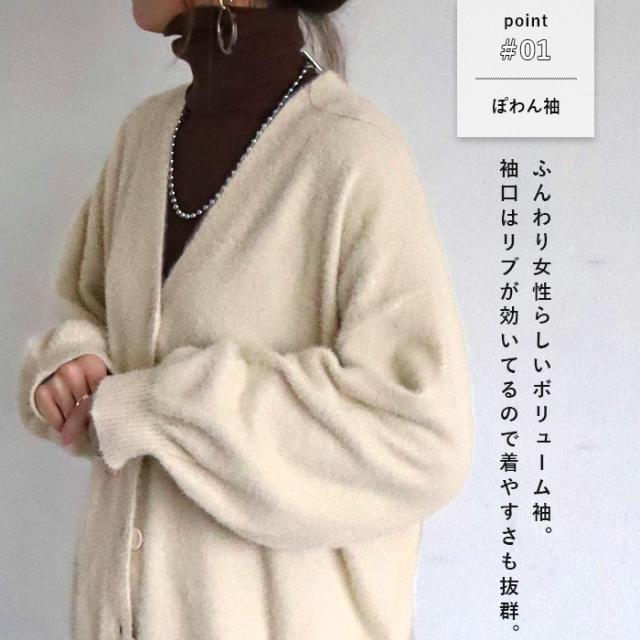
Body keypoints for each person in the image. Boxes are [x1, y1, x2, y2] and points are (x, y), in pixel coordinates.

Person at [16, 1, 475, 638]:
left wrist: (163, 406)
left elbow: (423, 437)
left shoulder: (352, 152)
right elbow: (86, 305)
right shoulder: (143, 139)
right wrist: (71, 361)